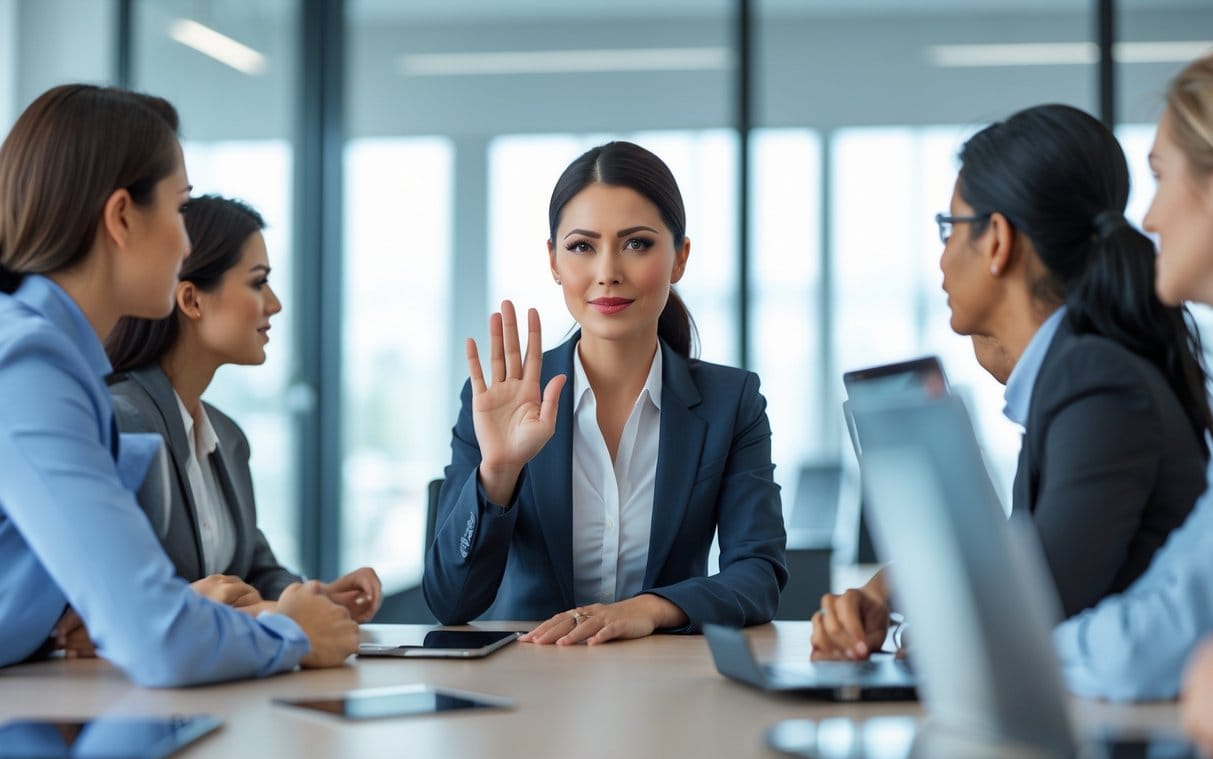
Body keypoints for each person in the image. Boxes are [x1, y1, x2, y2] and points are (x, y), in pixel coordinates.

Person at [812, 103, 1213, 661]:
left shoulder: (1093, 378)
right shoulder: (1076, 372)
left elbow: (1022, 615)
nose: (943, 258)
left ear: (997, 240)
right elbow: (1030, 559)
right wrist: (894, 587)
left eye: (951, 229)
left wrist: (918, 637)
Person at [0, 84, 357, 686]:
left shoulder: (56, 364)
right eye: (178, 208)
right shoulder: (29, 366)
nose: (186, 242)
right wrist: (292, 633)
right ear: (121, 218)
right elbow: (157, 637)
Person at [423, 140, 788, 644]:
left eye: (637, 243)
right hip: (531, 690)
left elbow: (759, 575)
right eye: (581, 247)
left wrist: (651, 609)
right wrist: (499, 473)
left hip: (668, 686)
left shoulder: (733, 402)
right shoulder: (500, 401)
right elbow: (450, 601)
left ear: (680, 257)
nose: (607, 272)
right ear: (553, 260)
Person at [97, 195, 381, 638]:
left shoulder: (227, 437)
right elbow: (119, 599)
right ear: (192, 299)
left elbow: (255, 570)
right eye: (258, 282)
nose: (275, 304)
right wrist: (276, 614)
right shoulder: (123, 424)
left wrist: (315, 598)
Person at [1052, 54, 1213, 703]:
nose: (1146, 219)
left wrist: (1028, 653)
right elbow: (1164, 602)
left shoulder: (1095, 377)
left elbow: (1142, 652)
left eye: (1158, 176)